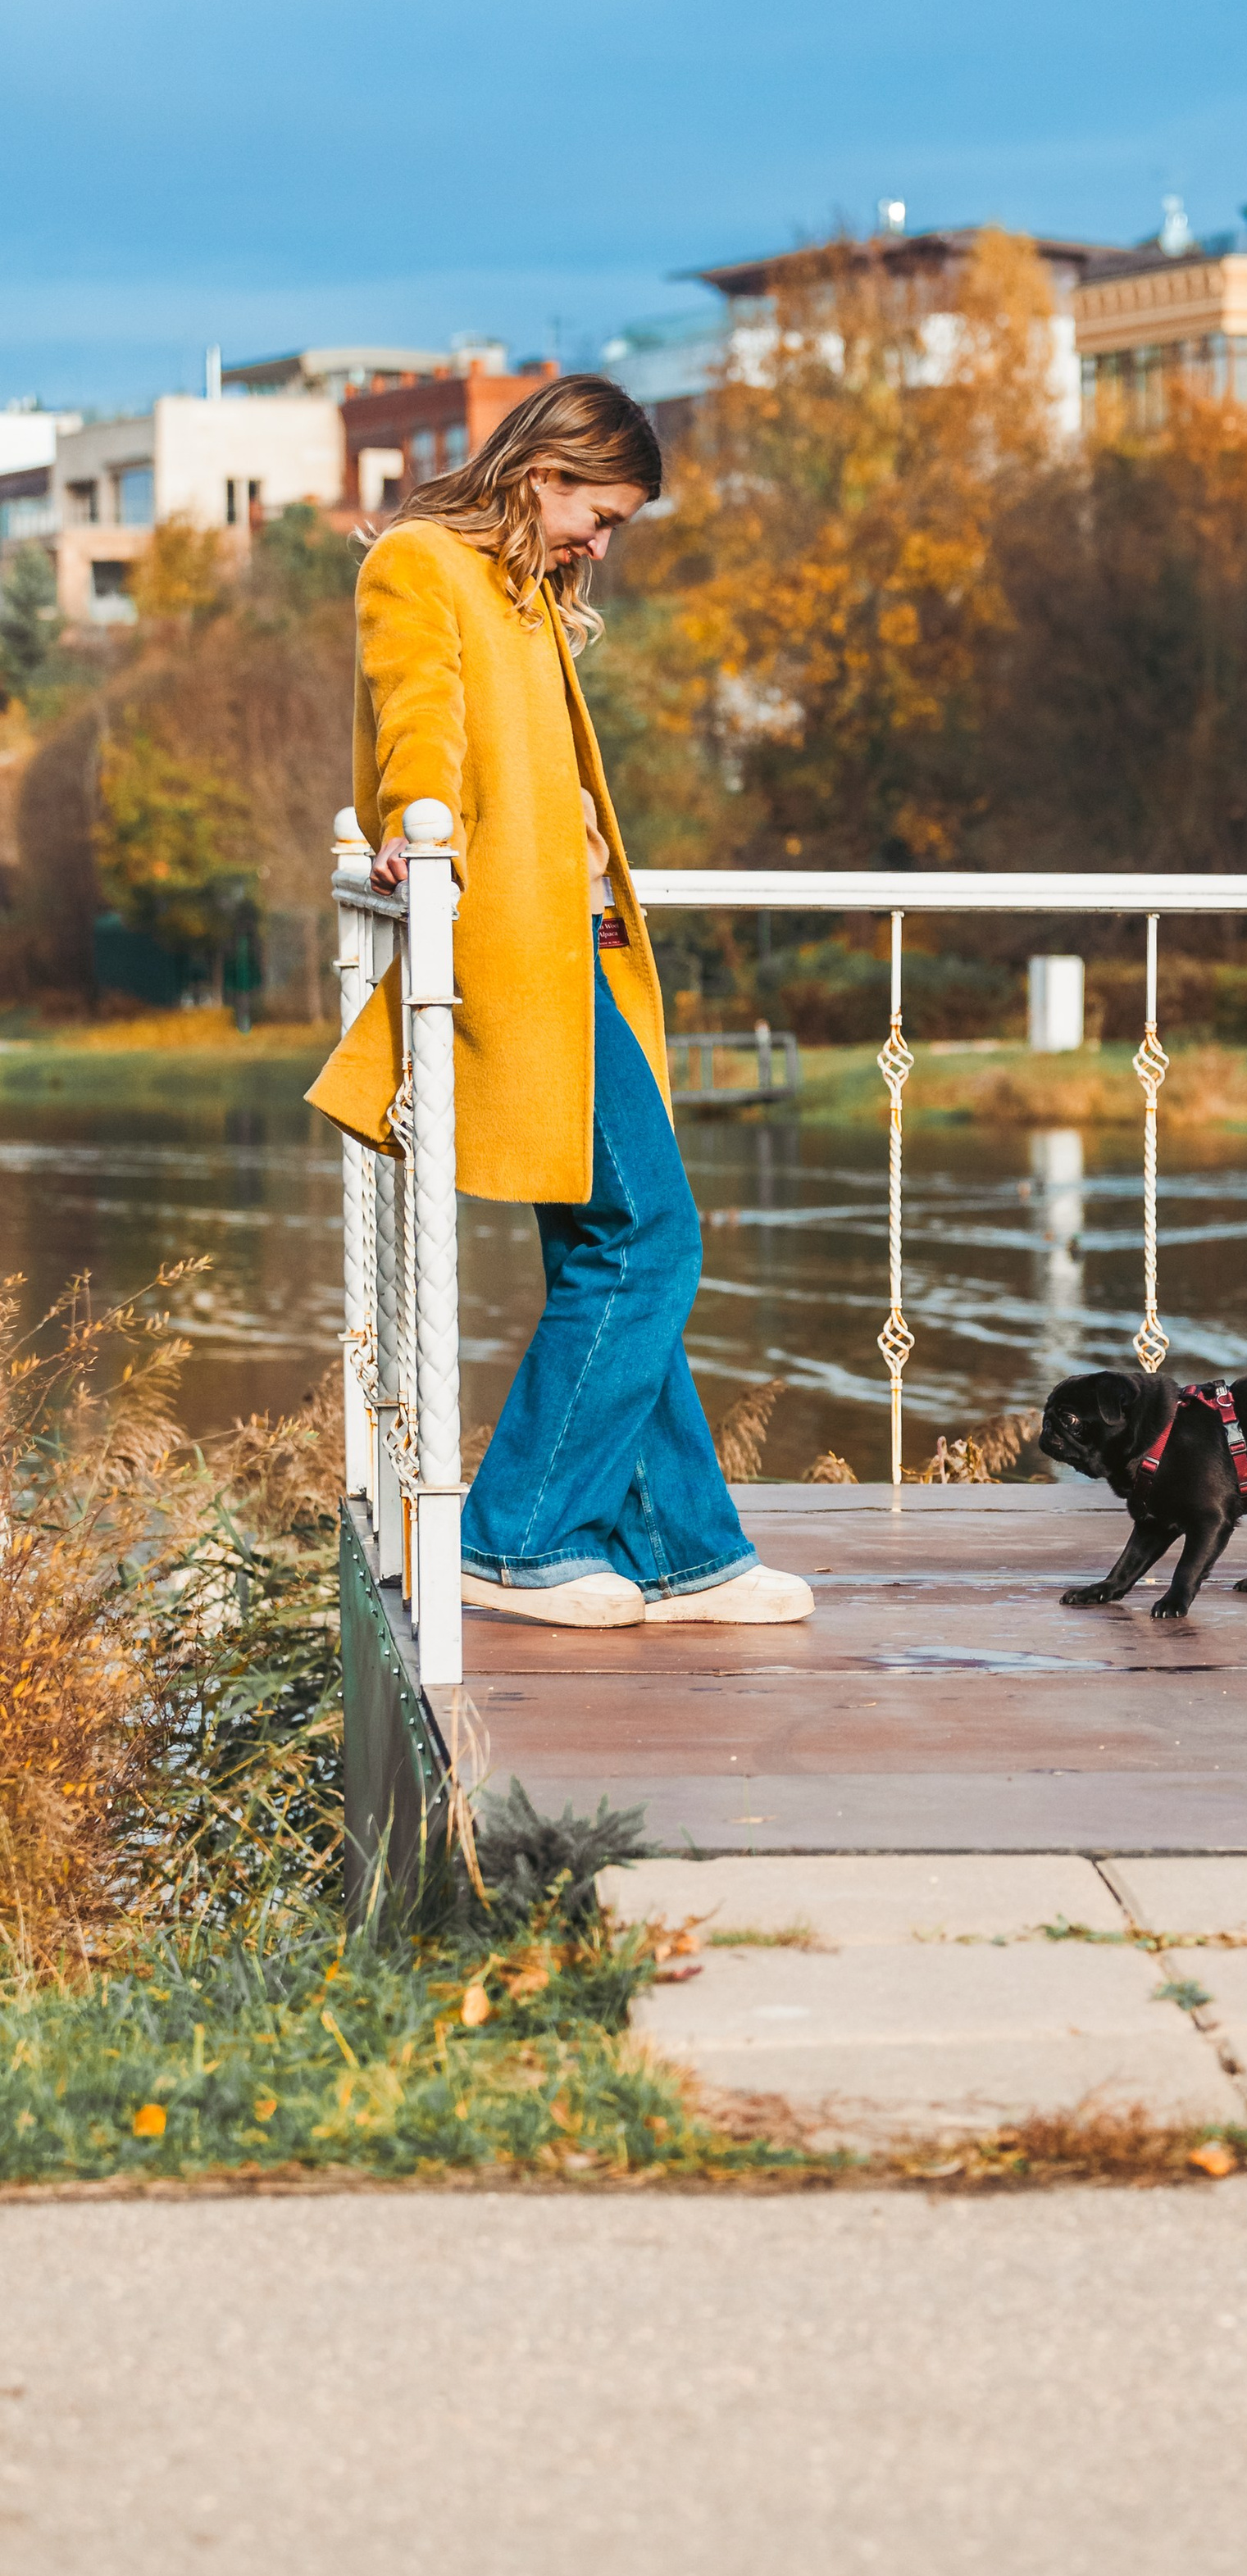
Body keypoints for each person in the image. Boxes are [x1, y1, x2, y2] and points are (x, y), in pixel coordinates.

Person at [308, 374, 810, 1632]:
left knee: (616, 1244)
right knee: (651, 1236)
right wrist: (417, 819)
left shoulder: (529, 590)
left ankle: (684, 1544)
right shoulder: (421, 563)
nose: (606, 542)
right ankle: (516, 1534)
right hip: (513, 956)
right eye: (606, 514)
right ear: (546, 474)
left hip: (571, 948)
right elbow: (421, 707)